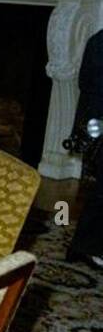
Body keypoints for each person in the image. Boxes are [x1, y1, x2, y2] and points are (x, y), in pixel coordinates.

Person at [67, 26, 103, 272]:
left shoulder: (97, 40)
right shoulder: (100, 43)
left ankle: (85, 245)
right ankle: (85, 246)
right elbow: (91, 88)